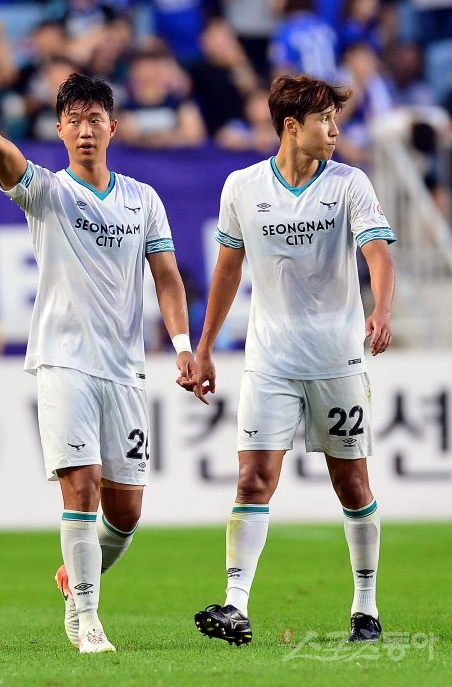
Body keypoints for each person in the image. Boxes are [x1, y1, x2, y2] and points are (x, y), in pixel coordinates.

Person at [0, 68, 198, 653]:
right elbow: (3, 153)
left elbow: (167, 278)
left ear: (113, 127)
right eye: (74, 121)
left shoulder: (143, 200)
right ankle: (87, 618)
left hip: (124, 370)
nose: (85, 131)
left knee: (125, 513)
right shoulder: (48, 192)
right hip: (63, 361)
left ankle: (75, 578)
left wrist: (183, 347)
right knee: (81, 486)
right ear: (59, 130)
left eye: (95, 120)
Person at [185, 74, 396, 645]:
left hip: (336, 360)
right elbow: (227, 270)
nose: (334, 130)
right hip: (270, 361)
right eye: (324, 119)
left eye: (336, 118)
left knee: (351, 483)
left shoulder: (349, 183)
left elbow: (377, 254)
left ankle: (365, 607)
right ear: (290, 126)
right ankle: (235, 605)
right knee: (253, 478)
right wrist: (204, 347)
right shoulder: (242, 186)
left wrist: (380, 309)